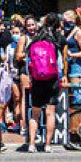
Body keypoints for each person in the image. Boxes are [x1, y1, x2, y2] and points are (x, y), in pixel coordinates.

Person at [22, 12, 65, 153]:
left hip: (37, 81)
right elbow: (59, 64)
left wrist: (31, 78)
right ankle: (47, 145)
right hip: (52, 80)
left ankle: (31, 144)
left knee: (35, 114)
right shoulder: (54, 43)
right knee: (50, 113)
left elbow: (28, 65)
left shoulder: (33, 43)